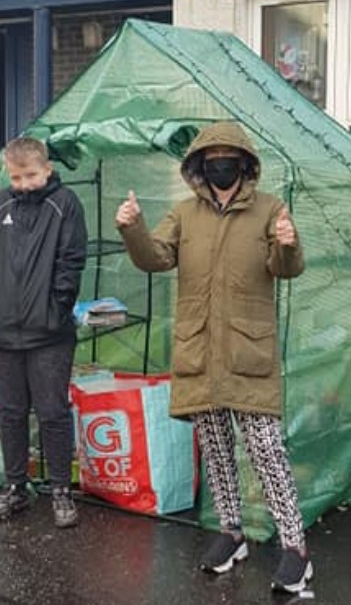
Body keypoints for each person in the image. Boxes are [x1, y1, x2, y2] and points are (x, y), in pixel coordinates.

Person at [114, 121, 311, 593]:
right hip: (200, 350)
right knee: (218, 452)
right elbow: (155, 258)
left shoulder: (269, 209)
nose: (220, 163)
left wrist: (287, 243)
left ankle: (295, 549)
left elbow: (287, 270)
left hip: (248, 354)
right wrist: (132, 228)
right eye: (211, 156)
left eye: (229, 155)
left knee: (266, 451)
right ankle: (231, 533)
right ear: (200, 165)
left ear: (244, 163)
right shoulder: (184, 214)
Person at [0, 137, 88, 529]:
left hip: (49, 333)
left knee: (53, 412)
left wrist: (55, 310)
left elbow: (71, 261)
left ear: (48, 170)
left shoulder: (65, 203)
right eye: (17, 176)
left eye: (31, 175)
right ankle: (15, 487)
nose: (23, 184)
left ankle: (60, 490)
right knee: (10, 412)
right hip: (3, 331)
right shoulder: (0, 202)